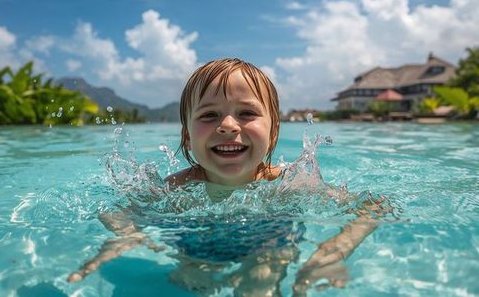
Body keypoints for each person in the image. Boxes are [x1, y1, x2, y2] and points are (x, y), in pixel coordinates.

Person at [68, 58, 387, 296]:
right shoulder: (177, 187)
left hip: (269, 246)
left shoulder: (290, 184)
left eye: (246, 113)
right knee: (194, 281)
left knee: (260, 280)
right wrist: (126, 234)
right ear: (189, 137)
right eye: (209, 115)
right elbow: (119, 211)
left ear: (273, 132)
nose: (228, 125)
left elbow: (373, 206)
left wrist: (333, 251)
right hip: (196, 249)